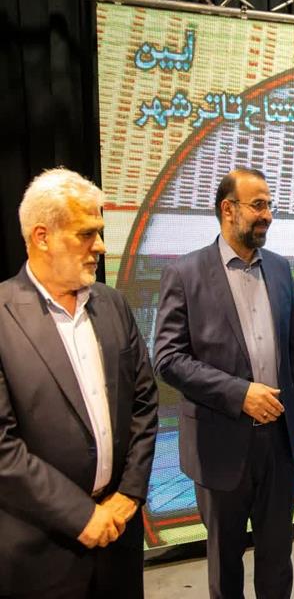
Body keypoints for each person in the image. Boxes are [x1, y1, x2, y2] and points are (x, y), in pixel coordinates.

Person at [153, 168, 294, 599]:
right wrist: (240, 394)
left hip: (279, 443)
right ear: (228, 210)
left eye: (270, 205)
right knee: (226, 565)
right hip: (218, 444)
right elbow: (168, 359)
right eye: (258, 205)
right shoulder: (185, 273)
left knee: (277, 559)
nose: (268, 215)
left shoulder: (279, 269)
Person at [0, 168, 159, 598]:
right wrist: (81, 515)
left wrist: (129, 495)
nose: (101, 246)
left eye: (100, 232)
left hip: (119, 534)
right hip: (40, 550)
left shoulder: (113, 305)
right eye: (86, 234)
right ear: (42, 237)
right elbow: (3, 448)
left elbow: (144, 404)